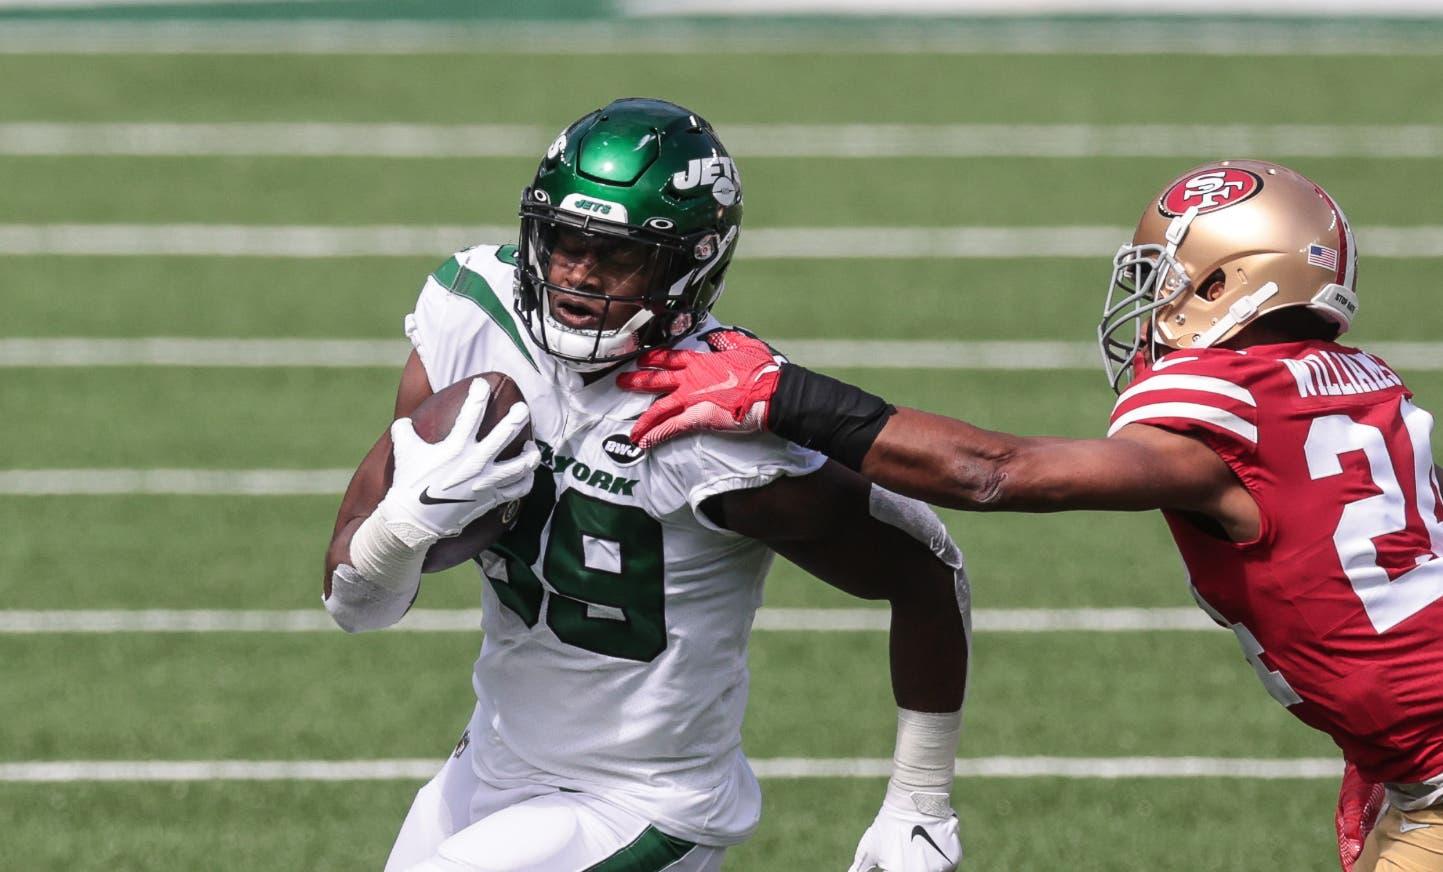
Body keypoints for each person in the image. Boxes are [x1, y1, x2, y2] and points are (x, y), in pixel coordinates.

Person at [619, 160, 1443, 872]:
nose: (1151, 301)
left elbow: (995, 474)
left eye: (1165, 275)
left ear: (1225, 283)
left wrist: (782, 394)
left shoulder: (1225, 409)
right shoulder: (1359, 384)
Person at [321, 98, 972, 872]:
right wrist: (404, 529)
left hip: (641, 802)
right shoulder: (474, 314)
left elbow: (923, 564)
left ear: (686, 267)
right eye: (564, 243)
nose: (577, 276)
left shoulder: (712, 419)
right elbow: (356, 605)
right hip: (494, 758)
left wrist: (919, 800)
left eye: (616, 257)